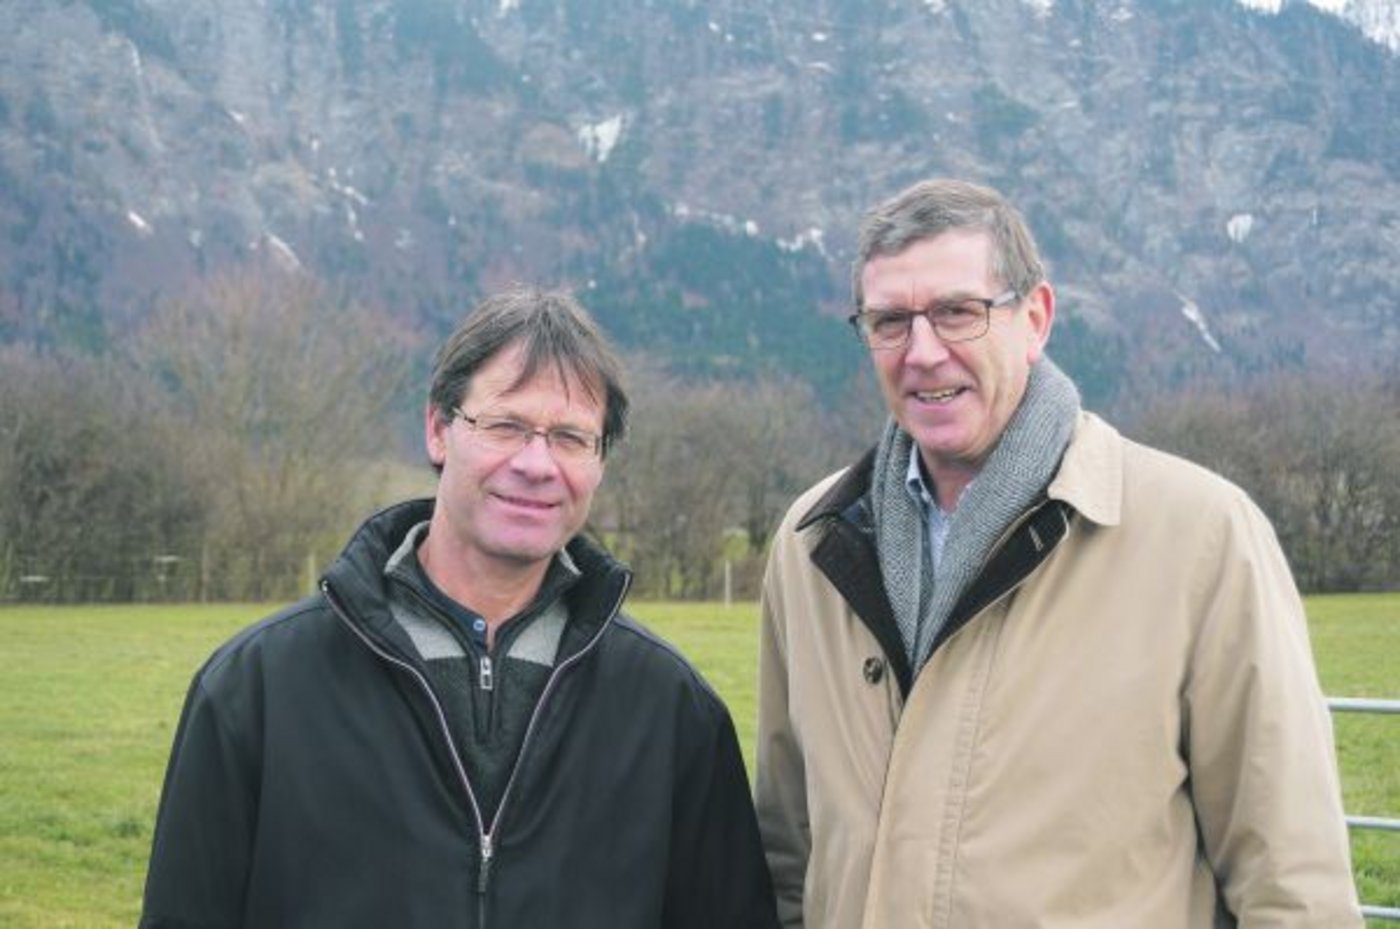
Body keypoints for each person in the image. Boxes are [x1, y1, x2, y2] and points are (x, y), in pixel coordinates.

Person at [754, 179, 1362, 928]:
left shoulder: (1204, 537)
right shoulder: (810, 542)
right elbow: (788, 858)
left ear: (1035, 318)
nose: (922, 352)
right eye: (890, 321)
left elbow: (1292, 888)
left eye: (957, 312)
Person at [142, 286, 778, 929]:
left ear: (600, 462)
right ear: (438, 429)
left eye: (570, 437)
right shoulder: (255, 690)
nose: (537, 464)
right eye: (505, 426)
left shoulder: (674, 713)